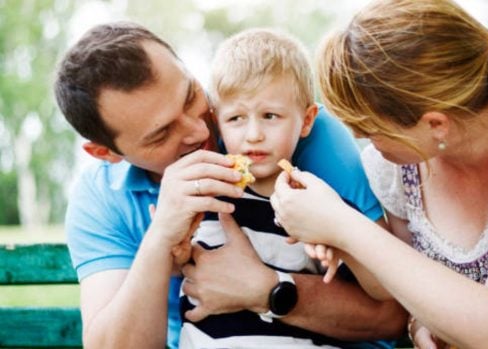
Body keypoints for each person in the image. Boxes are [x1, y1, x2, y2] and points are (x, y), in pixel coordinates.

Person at [271, 0, 488, 348]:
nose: (366, 146)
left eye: (372, 132)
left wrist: (343, 225)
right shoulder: (398, 164)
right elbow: (399, 281)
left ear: (435, 124)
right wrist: (417, 323)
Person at [54, 22, 407, 349]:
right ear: (105, 152)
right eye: (162, 134)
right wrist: (160, 238)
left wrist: (268, 290)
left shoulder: (295, 135)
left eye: (191, 95)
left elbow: (392, 315)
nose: (200, 131)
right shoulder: (100, 198)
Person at [178, 28, 401, 348]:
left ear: (307, 120)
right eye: (237, 118)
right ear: (217, 122)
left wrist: (341, 243)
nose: (253, 134)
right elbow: (176, 263)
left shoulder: (321, 204)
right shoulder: (203, 195)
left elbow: (382, 292)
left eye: (270, 116)